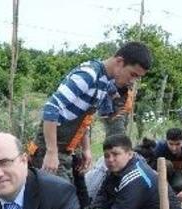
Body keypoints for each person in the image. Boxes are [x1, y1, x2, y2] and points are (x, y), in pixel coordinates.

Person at [30, 42, 152, 185]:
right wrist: (51, 152)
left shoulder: (105, 82)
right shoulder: (89, 75)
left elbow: (84, 118)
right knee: (61, 196)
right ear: (119, 62)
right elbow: (51, 107)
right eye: (133, 74)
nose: (132, 81)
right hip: (49, 150)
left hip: (67, 151)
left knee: (77, 194)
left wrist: (86, 149)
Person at [151, 128, 182, 198]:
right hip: (161, 174)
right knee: (166, 164)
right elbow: (151, 167)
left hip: (178, 174)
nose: (174, 148)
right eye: (171, 144)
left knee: (181, 184)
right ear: (166, 141)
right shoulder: (160, 147)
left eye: (178, 144)